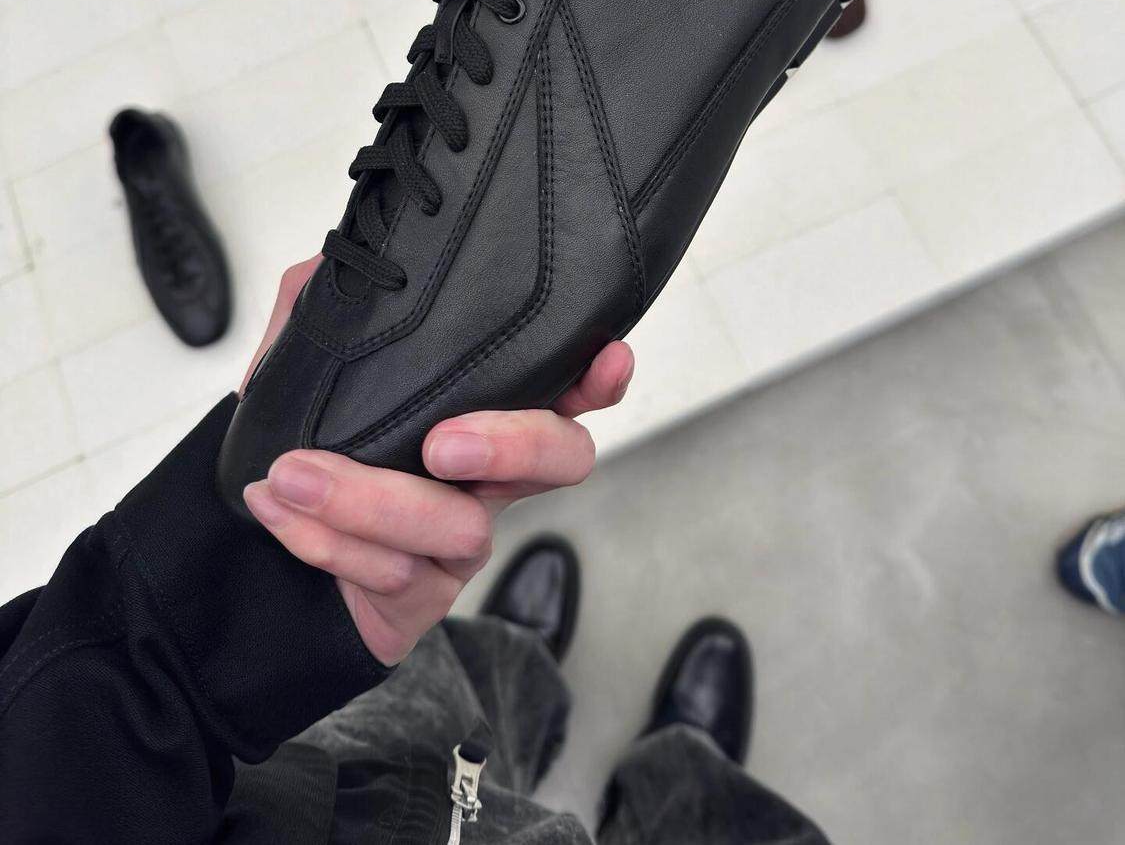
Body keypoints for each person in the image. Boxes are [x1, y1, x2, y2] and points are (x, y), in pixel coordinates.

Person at [0, 258, 830, 843]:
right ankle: (690, 780)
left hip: (298, 808)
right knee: (712, 824)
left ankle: (512, 668)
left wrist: (203, 629)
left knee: (437, 698)